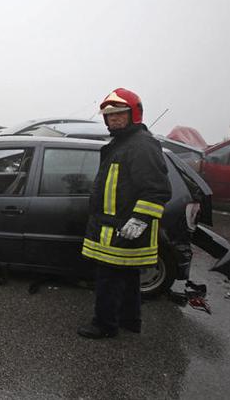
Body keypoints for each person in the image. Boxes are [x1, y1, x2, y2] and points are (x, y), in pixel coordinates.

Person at [77, 88, 171, 339]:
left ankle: (104, 325)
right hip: (114, 228)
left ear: (133, 115)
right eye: (109, 115)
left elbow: (157, 189)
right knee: (128, 279)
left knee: (108, 281)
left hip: (120, 230)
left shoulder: (140, 146)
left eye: (119, 114)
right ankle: (130, 321)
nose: (114, 119)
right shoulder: (123, 143)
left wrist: (140, 219)